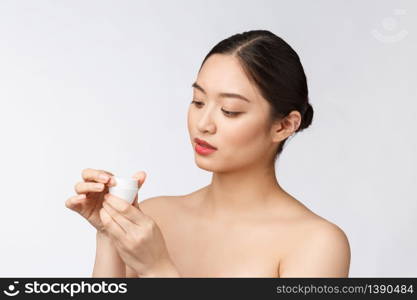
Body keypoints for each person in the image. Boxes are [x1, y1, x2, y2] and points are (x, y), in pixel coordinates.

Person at [65, 30, 350, 278]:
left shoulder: (316, 243)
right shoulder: (153, 218)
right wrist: (108, 233)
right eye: (198, 101)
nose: (203, 124)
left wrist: (157, 269)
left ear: (284, 125)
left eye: (230, 111)